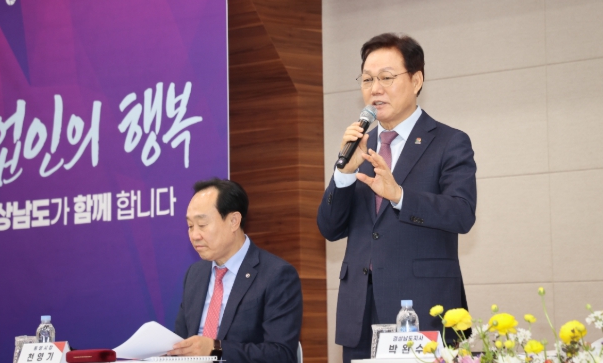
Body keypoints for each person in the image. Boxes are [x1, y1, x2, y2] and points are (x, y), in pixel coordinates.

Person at [317, 33, 477, 362]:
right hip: (360, 311)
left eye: (386, 78)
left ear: (416, 81)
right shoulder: (361, 147)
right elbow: (330, 228)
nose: (375, 89)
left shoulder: (449, 142)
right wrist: (344, 173)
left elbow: (462, 214)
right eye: (367, 80)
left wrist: (400, 195)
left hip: (422, 309)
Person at [171, 178, 303, 363]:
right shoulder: (195, 274)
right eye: (190, 226)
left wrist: (215, 349)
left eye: (202, 225)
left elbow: (281, 354)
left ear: (233, 221)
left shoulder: (276, 275)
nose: (194, 235)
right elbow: (181, 342)